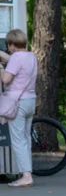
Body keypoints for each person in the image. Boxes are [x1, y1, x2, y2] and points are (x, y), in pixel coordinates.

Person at [0, 29, 37, 187]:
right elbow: (16, 62)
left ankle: (26, 176)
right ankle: (27, 172)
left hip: (17, 103)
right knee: (26, 138)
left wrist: (1, 68)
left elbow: (6, 79)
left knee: (18, 140)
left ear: (11, 44)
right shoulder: (31, 56)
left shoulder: (15, 57)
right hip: (30, 101)